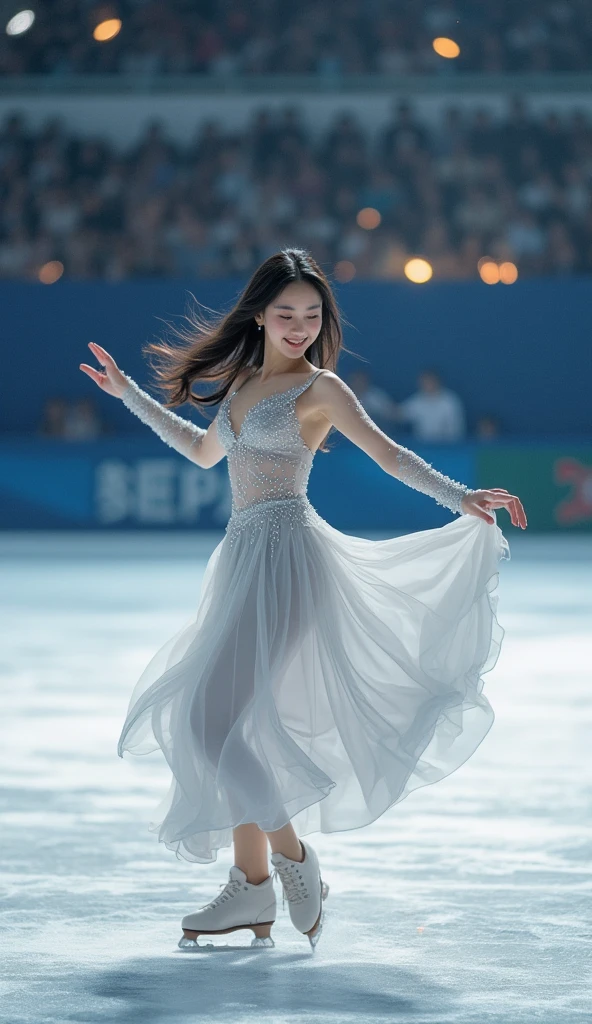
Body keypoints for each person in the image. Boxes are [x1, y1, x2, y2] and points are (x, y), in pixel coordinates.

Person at [79, 248, 526, 952]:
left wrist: (461, 497)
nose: (299, 327)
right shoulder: (245, 382)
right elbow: (203, 452)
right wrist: (128, 395)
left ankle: (290, 862)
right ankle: (250, 885)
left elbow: (390, 456)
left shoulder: (321, 389)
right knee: (232, 728)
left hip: (290, 560)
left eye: (312, 315)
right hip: (242, 559)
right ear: (258, 315)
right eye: (286, 313)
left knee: (205, 718)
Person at [397, 370, 467, 442]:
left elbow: (457, 431)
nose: (427, 385)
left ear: (437, 382)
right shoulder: (417, 400)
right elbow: (399, 414)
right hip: (421, 446)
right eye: (424, 382)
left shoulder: (450, 401)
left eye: (430, 382)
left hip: (446, 446)